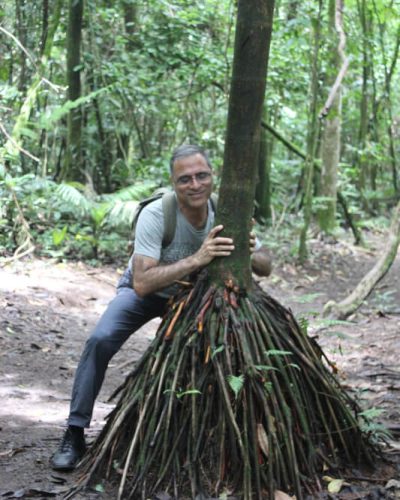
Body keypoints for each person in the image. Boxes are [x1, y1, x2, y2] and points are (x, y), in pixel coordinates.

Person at [50, 144, 272, 471]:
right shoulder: (157, 214)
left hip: (191, 300)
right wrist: (198, 258)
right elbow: (142, 282)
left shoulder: (223, 211)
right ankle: (75, 431)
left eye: (201, 176)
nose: (194, 184)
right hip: (145, 293)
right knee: (100, 340)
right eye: (185, 179)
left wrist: (250, 250)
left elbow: (266, 267)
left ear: (213, 177)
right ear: (173, 182)